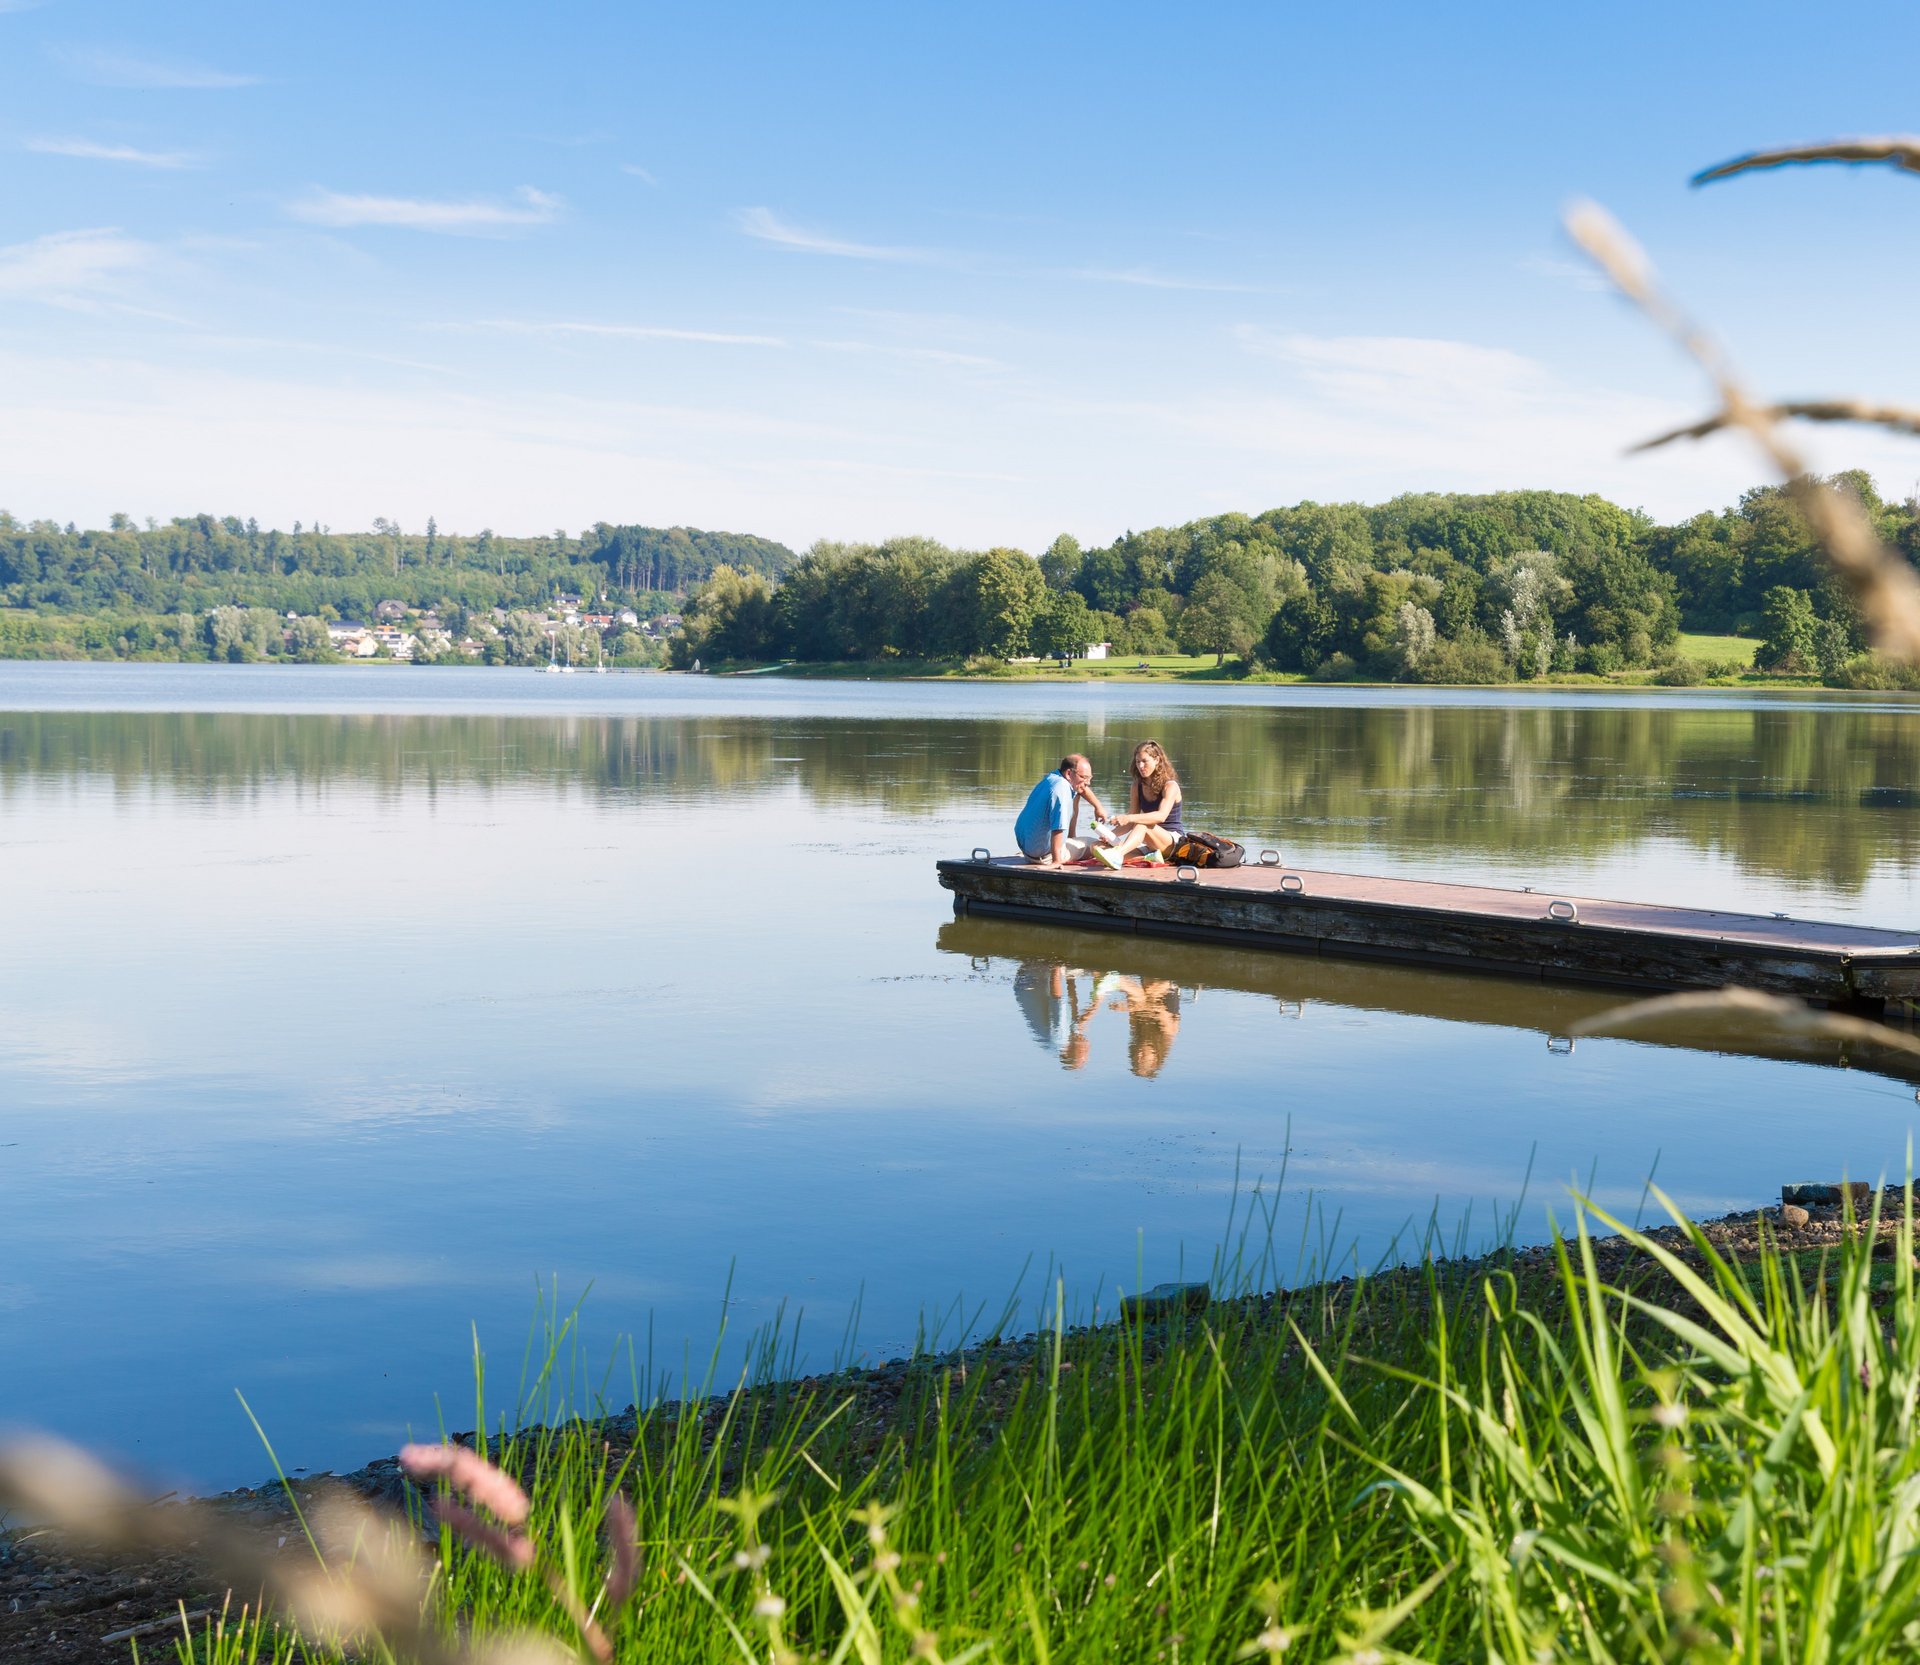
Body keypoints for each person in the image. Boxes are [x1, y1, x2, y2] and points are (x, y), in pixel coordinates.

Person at [1093, 740, 1183, 869]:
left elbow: (1160, 816)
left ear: (1157, 760)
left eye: (1144, 761)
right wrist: (1110, 835)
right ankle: (1149, 859)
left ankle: (1118, 855)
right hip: (1150, 844)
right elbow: (1129, 824)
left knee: (1142, 825)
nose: (1140, 766)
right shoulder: (1137, 786)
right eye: (1137, 761)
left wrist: (1128, 817)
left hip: (1172, 841)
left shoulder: (1170, 786)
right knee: (1097, 847)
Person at [1014, 753, 1109, 864]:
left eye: (1089, 778)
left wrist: (1098, 807)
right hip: (1046, 857)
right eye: (1084, 777)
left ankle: (1071, 838)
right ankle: (1063, 851)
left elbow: (1082, 789)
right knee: (1097, 845)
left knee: (1077, 791)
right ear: (1069, 773)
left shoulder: (1053, 778)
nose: (1088, 782)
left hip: (1028, 850)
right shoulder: (1062, 790)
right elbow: (1058, 827)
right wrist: (1056, 862)